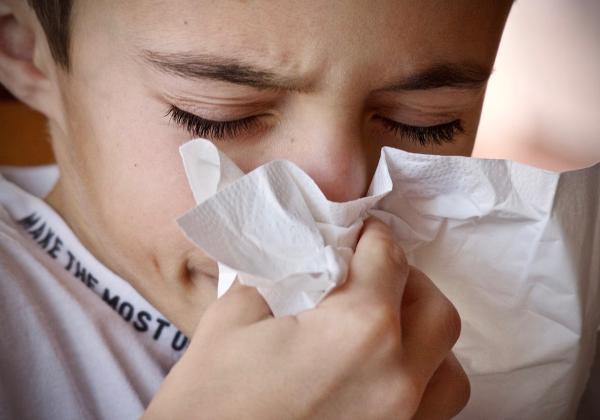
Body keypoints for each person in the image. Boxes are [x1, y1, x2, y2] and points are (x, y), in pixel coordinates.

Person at [0, 0, 513, 418]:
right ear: (26, 53)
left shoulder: (520, 310)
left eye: (424, 123)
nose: (340, 199)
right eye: (219, 119)